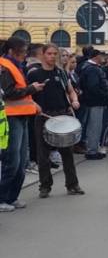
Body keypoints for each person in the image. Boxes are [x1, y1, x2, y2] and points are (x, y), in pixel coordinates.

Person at [27, 44, 84, 198]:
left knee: (67, 153)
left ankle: (72, 184)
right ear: (43, 55)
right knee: (42, 155)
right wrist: (35, 105)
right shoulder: (34, 73)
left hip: (61, 115)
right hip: (43, 116)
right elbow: (27, 96)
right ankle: (45, 186)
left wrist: (75, 100)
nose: (52, 56)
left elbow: (70, 90)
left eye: (55, 54)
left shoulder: (61, 72)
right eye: (49, 53)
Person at [0, 37, 44, 212]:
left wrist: (32, 102)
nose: (25, 55)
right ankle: (3, 197)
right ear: (11, 51)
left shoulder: (15, 65)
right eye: (22, 52)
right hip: (11, 117)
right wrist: (31, 89)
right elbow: (8, 93)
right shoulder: (5, 67)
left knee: (21, 161)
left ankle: (12, 197)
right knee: (13, 160)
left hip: (22, 116)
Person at [78, 48, 108, 160]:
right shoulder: (92, 69)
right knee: (94, 126)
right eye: (102, 55)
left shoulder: (89, 67)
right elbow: (93, 87)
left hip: (93, 101)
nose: (103, 58)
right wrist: (105, 95)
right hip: (95, 102)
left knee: (94, 126)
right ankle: (92, 150)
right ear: (96, 57)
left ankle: (92, 148)